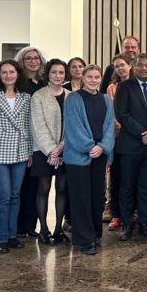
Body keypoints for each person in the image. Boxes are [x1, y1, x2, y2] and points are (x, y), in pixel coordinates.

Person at [63, 65, 115, 255]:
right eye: (89, 77)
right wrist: (89, 147)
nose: (93, 80)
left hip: (99, 155)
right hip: (78, 156)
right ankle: (84, 240)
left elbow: (109, 126)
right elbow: (73, 126)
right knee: (81, 198)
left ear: (101, 79)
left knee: (96, 197)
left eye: (96, 77)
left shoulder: (106, 99)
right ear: (83, 78)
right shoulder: (73, 98)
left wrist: (102, 146)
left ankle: (95, 233)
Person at [115, 54, 147, 242]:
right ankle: (127, 225)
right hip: (129, 146)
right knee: (127, 187)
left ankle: (144, 223)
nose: (144, 68)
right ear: (133, 67)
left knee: (145, 187)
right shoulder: (124, 87)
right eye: (140, 65)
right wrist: (143, 133)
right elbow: (122, 114)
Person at [0, 59, 33, 254]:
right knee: (4, 195)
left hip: (20, 151)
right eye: (4, 72)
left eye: (11, 72)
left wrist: (29, 151)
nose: (8, 75)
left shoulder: (25, 98)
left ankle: (12, 236)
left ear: (17, 74)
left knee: (15, 195)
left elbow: (29, 125)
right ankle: (2, 238)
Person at [30, 59, 70, 245]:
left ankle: (58, 229)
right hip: (42, 150)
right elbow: (38, 126)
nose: (58, 76)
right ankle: (44, 229)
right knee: (43, 189)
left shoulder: (71, 96)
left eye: (61, 72)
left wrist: (61, 147)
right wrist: (51, 150)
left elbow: (73, 126)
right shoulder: (38, 96)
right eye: (54, 72)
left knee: (62, 188)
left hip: (65, 150)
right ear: (47, 74)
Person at [14, 46, 46, 238]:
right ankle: (17, 226)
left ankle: (29, 225)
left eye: (36, 58)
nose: (33, 61)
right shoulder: (17, 83)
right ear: (22, 61)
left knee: (34, 185)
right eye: (29, 58)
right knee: (19, 185)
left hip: (39, 141)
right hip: (20, 139)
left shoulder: (43, 83)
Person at [105, 53, 133, 230]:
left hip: (134, 137)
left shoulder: (137, 85)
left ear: (130, 65)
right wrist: (118, 126)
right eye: (116, 66)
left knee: (132, 178)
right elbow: (110, 112)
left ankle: (131, 213)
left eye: (122, 64)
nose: (120, 68)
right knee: (116, 177)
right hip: (117, 136)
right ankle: (116, 214)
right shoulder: (111, 88)